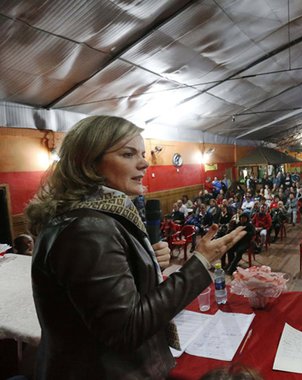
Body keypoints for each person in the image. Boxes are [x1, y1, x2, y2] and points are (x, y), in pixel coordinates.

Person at [24, 116, 246, 379]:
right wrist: (200, 261)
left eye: (141, 153)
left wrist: (143, 263)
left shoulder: (94, 217)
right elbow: (125, 329)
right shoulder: (86, 229)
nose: (144, 162)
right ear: (88, 163)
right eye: (128, 154)